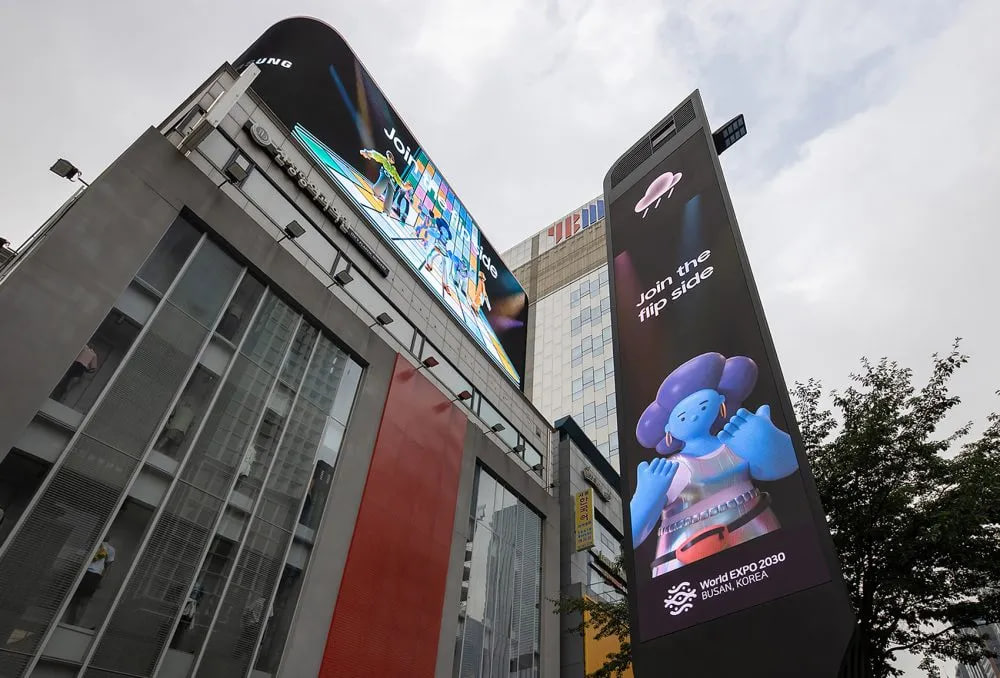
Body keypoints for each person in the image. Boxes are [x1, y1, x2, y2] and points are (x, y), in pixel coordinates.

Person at [630, 353, 799, 576]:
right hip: (685, 568)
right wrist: (646, 497)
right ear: (668, 430)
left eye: (701, 404)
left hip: (758, 544)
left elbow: (788, 464)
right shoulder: (669, 470)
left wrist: (764, 439)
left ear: (720, 403)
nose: (691, 416)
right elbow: (632, 534)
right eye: (681, 415)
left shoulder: (735, 441)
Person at [66, 535, 116, 626]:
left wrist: (101, 580)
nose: (107, 535)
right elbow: (78, 558)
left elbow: (108, 566)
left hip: (94, 575)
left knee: (84, 600)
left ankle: (75, 624)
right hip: (82, 571)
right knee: (72, 598)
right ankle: (66, 621)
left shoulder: (110, 549)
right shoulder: (89, 544)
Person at [359, 148, 404, 216]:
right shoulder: (385, 160)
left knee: (391, 189)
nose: (391, 159)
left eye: (392, 158)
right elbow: (376, 155)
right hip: (385, 175)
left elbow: (398, 179)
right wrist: (367, 152)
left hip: (391, 180)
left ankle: (386, 211)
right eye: (390, 157)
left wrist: (403, 185)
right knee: (385, 178)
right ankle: (376, 192)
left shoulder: (394, 170)